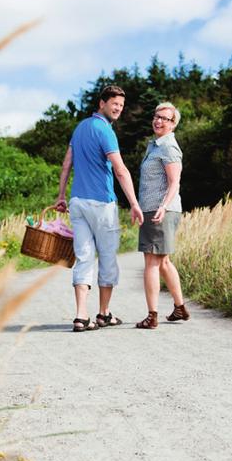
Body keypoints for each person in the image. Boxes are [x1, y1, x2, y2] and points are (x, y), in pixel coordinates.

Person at [55, 84, 143, 332]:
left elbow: (66, 166)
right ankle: (103, 314)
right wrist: (134, 204)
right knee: (106, 257)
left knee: (83, 257)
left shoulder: (80, 128)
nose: (118, 109)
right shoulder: (105, 131)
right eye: (115, 104)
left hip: (78, 203)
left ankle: (81, 316)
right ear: (101, 103)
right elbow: (121, 170)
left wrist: (61, 195)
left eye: (121, 106)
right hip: (102, 203)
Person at [134, 102, 190, 329]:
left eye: (165, 118)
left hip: (160, 210)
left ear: (173, 124)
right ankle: (180, 308)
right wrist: (137, 205)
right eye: (157, 116)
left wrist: (163, 206)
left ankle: (152, 315)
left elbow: (175, 181)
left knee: (151, 261)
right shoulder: (155, 146)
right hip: (152, 208)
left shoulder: (168, 147)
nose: (158, 121)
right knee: (163, 261)